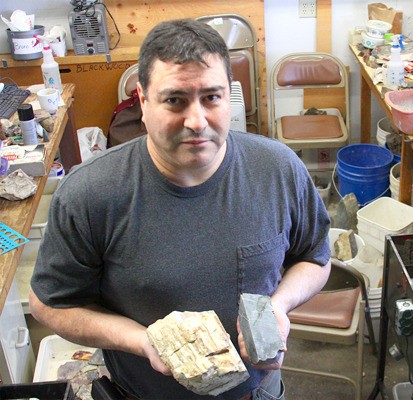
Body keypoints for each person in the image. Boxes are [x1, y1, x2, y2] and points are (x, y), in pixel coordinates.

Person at [29, 18, 331, 399]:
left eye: (211, 97)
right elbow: (49, 304)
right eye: (175, 100)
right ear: (143, 101)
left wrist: (280, 305)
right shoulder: (91, 192)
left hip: (259, 393)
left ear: (229, 94)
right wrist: (142, 341)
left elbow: (315, 258)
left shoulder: (278, 169)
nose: (197, 121)